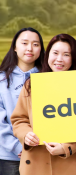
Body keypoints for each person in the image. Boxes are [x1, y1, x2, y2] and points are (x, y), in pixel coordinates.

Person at [11, 33, 76, 175]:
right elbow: (19, 119)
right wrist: (26, 135)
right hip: (36, 164)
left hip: (73, 164)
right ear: (47, 55)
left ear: (74, 58)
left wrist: (67, 147)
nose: (59, 59)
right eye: (55, 53)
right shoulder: (32, 84)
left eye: (66, 54)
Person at [0, 28, 45, 175]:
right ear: (15, 47)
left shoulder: (48, 78)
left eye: (35, 44)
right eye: (24, 43)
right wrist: (18, 147)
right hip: (9, 157)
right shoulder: (1, 79)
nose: (30, 48)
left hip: (42, 155)